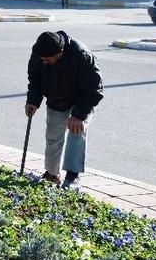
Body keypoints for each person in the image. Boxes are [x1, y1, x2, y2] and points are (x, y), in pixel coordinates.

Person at [26, 31, 103, 187]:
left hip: (81, 99)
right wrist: (33, 101)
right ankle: (52, 174)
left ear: (60, 52)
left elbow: (95, 89)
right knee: (53, 136)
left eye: (49, 60)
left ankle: (72, 176)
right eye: (43, 60)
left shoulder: (82, 55)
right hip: (56, 97)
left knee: (76, 132)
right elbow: (34, 77)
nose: (45, 62)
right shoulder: (39, 52)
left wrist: (79, 115)